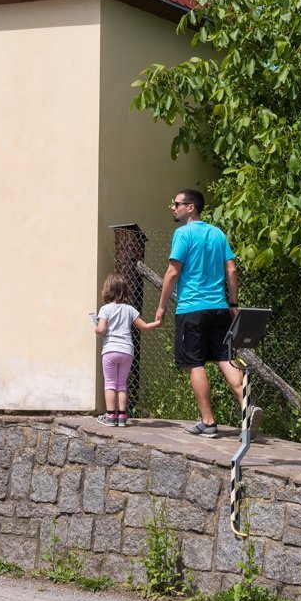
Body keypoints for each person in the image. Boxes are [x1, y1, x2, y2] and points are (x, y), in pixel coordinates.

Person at [156, 187, 248, 437]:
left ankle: (208, 422)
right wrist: (233, 303)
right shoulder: (218, 234)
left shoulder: (183, 234)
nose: (173, 208)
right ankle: (247, 407)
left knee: (194, 363)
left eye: (176, 204)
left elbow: (173, 272)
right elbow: (231, 270)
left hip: (192, 309)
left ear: (190, 207)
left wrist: (162, 305)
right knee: (224, 358)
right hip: (219, 308)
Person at [90, 270, 160, 426]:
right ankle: (121, 416)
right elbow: (145, 326)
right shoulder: (130, 309)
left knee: (110, 383)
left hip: (110, 350)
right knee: (122, 383)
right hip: (127, 351)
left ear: (107, 290)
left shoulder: (105, 309)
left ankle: (110, 416)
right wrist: (158, 322)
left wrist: (96, 328)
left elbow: (101, 330)